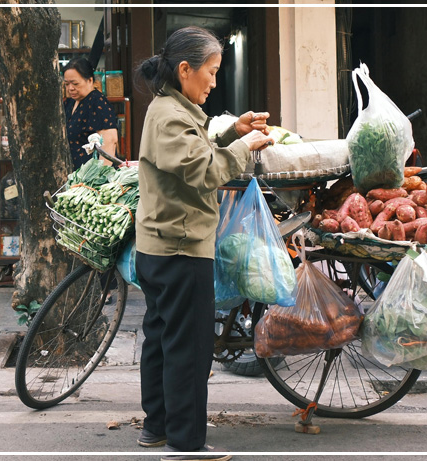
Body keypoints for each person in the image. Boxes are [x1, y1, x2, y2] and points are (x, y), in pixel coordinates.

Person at [132, 26, 272, 461]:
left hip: (160, 245)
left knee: (161, 338)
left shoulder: (173, 107)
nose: (214, 81)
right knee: (189, 348)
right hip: (179, 247)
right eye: (210, 72)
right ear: (185, 69)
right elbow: (205, 170)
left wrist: (232, 134)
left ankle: (156, 427)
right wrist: (245, 146)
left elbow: (200, 148)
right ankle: (186, 442)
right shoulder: (170, 114)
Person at [62, 58, 119, 168]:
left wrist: (99, 176)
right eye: (66, 84)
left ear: (90, 80)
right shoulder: (69, 103)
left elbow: (109, 142)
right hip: (77, 175)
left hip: (94, 178)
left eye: (75, 83)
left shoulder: (98, 103)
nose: (70, 88)